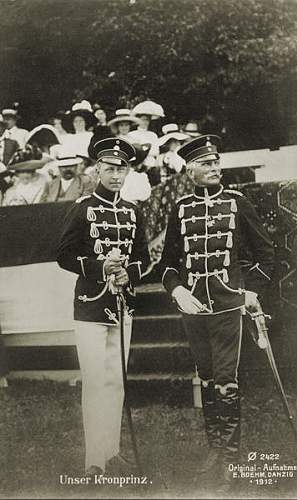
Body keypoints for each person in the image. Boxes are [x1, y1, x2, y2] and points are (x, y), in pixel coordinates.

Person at [160, 135, 275, 493]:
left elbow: (266, 254)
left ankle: (230, 460)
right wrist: (177, 289)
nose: (214, 168)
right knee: (207, 379)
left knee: (226, 380)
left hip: (228, 304)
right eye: (206, 164)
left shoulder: (237, 203)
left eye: (216, 162)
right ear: (190, 169)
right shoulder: (180, 207)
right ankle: (215, 451)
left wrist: (251, 291)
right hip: (194, 307)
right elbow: (167, 264)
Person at [57, 137, 150, 476]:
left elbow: (144, 258)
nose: (115, 175)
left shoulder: (132, 210)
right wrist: (100, 268)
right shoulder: (82, 207)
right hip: (90, 307)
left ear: (127, 172)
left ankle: (112, 452)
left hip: (122, 307)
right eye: (109, 169)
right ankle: (93, 460)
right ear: (97, 170)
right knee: (96, 380)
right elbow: (64, 255)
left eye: (121, 169)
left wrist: (128, 273)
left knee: (117, 381)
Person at [128, 100, 164, 168]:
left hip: (151, 164)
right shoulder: (132, 134)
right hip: (136, 165)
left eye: (147, 120)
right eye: (143, 119)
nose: (145, 122)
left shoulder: (153, 135)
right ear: (138, 120)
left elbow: (156, 152)